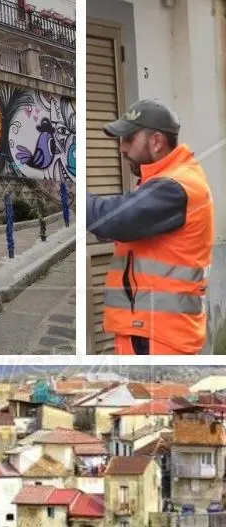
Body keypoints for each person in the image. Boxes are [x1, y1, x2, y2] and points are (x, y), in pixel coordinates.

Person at [86, 99, 214, 356]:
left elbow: (111, 219)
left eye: (129, 139)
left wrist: (76, 195)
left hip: (158, 338)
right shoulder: (163, 183)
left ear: (156, 141)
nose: (121, 149)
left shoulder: (175, 186)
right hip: (149, 332)